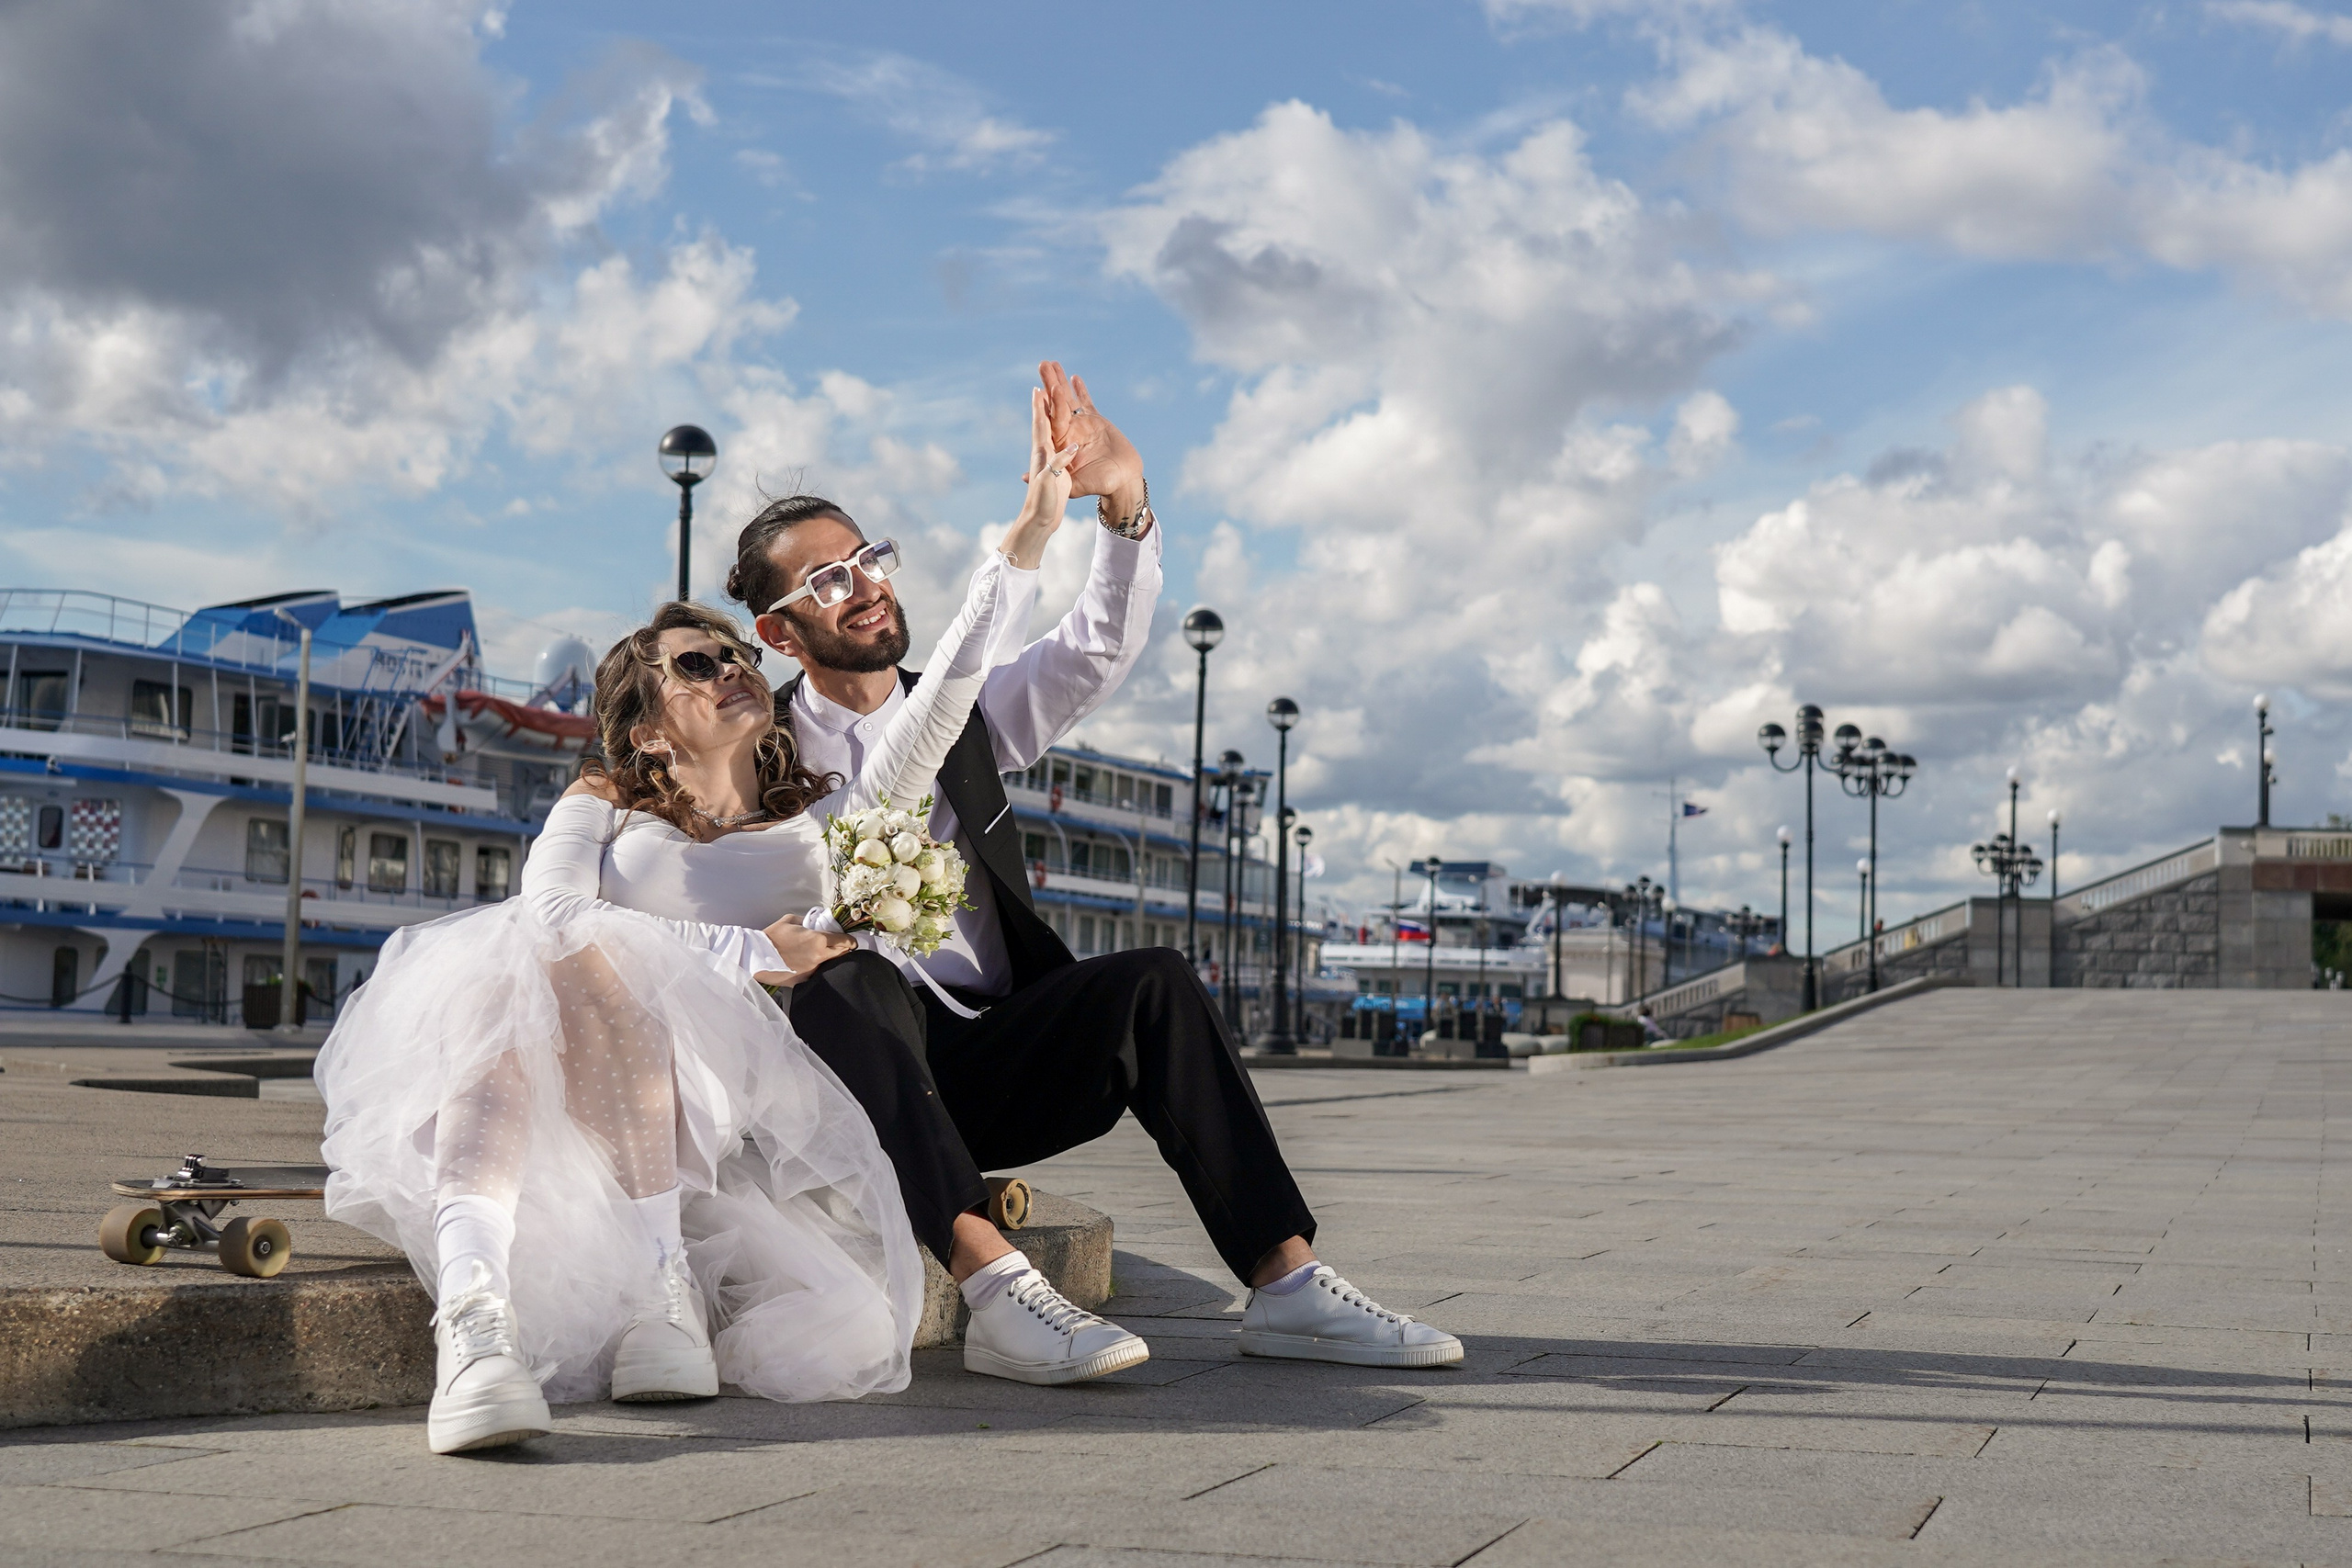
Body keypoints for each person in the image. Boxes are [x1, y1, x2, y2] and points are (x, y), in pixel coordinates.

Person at [314, 389, 1079, 1454]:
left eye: (733, 656)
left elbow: (944, 693)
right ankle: (479, 1330)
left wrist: (1028, 541)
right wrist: (747, 947)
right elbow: (553, 913)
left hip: (729, 1099)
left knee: (563, 971)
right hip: (569, 1072)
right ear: (644, 721)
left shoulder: (826, 811)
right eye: (693, 663)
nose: (727, 669)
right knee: (521, 960)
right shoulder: (602, 803)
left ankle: (651, 1285)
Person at [729, 359, 1462, 1386]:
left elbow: (1092, 647)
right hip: (853, 1089)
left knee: (1153, 980)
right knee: (849, 977)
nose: (868, 586)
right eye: (829, 579)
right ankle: (997, 1293)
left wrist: (1122, 506)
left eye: (868, 559)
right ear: (777, 631)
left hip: (990, 1064)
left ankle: (1289, 1285)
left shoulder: (965, 707)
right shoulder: (751, 755)